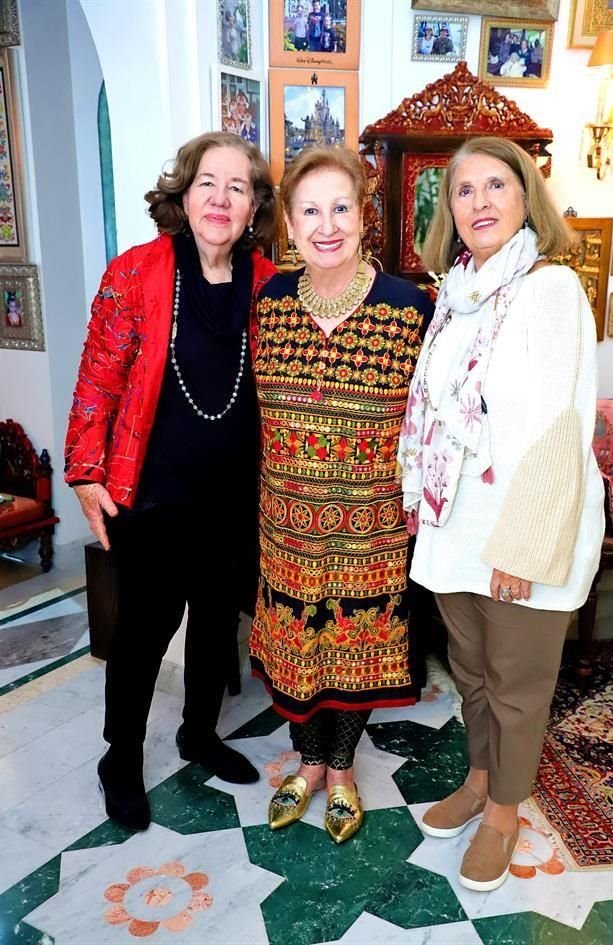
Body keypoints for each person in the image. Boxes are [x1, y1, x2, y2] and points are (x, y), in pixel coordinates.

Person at [398, 136, 605, 891]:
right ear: (448, 210)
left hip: (521, 529)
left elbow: (559, 424)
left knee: (517, 683)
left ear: (525, 198)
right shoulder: (456, 293)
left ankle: (504, 813)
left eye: (496, 185)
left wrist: (524, 546)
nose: (479, 202)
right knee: (473, 673)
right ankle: (481, 780)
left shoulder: (548, 289)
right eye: (463, 190)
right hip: (458, 524)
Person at [65, 132, 278, 832]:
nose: (221, 198)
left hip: (233, 498)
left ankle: (198, 732)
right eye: (207, 183)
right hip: (150, 496)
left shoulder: (269, 284)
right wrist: (85, 473)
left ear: (254, 206)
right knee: (143, 633)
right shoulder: (138, 272)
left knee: (218, 626)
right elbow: (97, 379)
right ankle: (119, 756)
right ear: (182, 195)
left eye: (237, 186)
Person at [249, 147, 434, 843]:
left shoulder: (408, 308)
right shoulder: (269, 305)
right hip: (286, 518)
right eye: (310, 211)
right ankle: (308, 760)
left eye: (340, 208)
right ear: (290, 227)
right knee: (297, 642)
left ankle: (344, 768)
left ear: (363, 217)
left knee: (354, 643)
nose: (326, 225)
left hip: (371, 524)